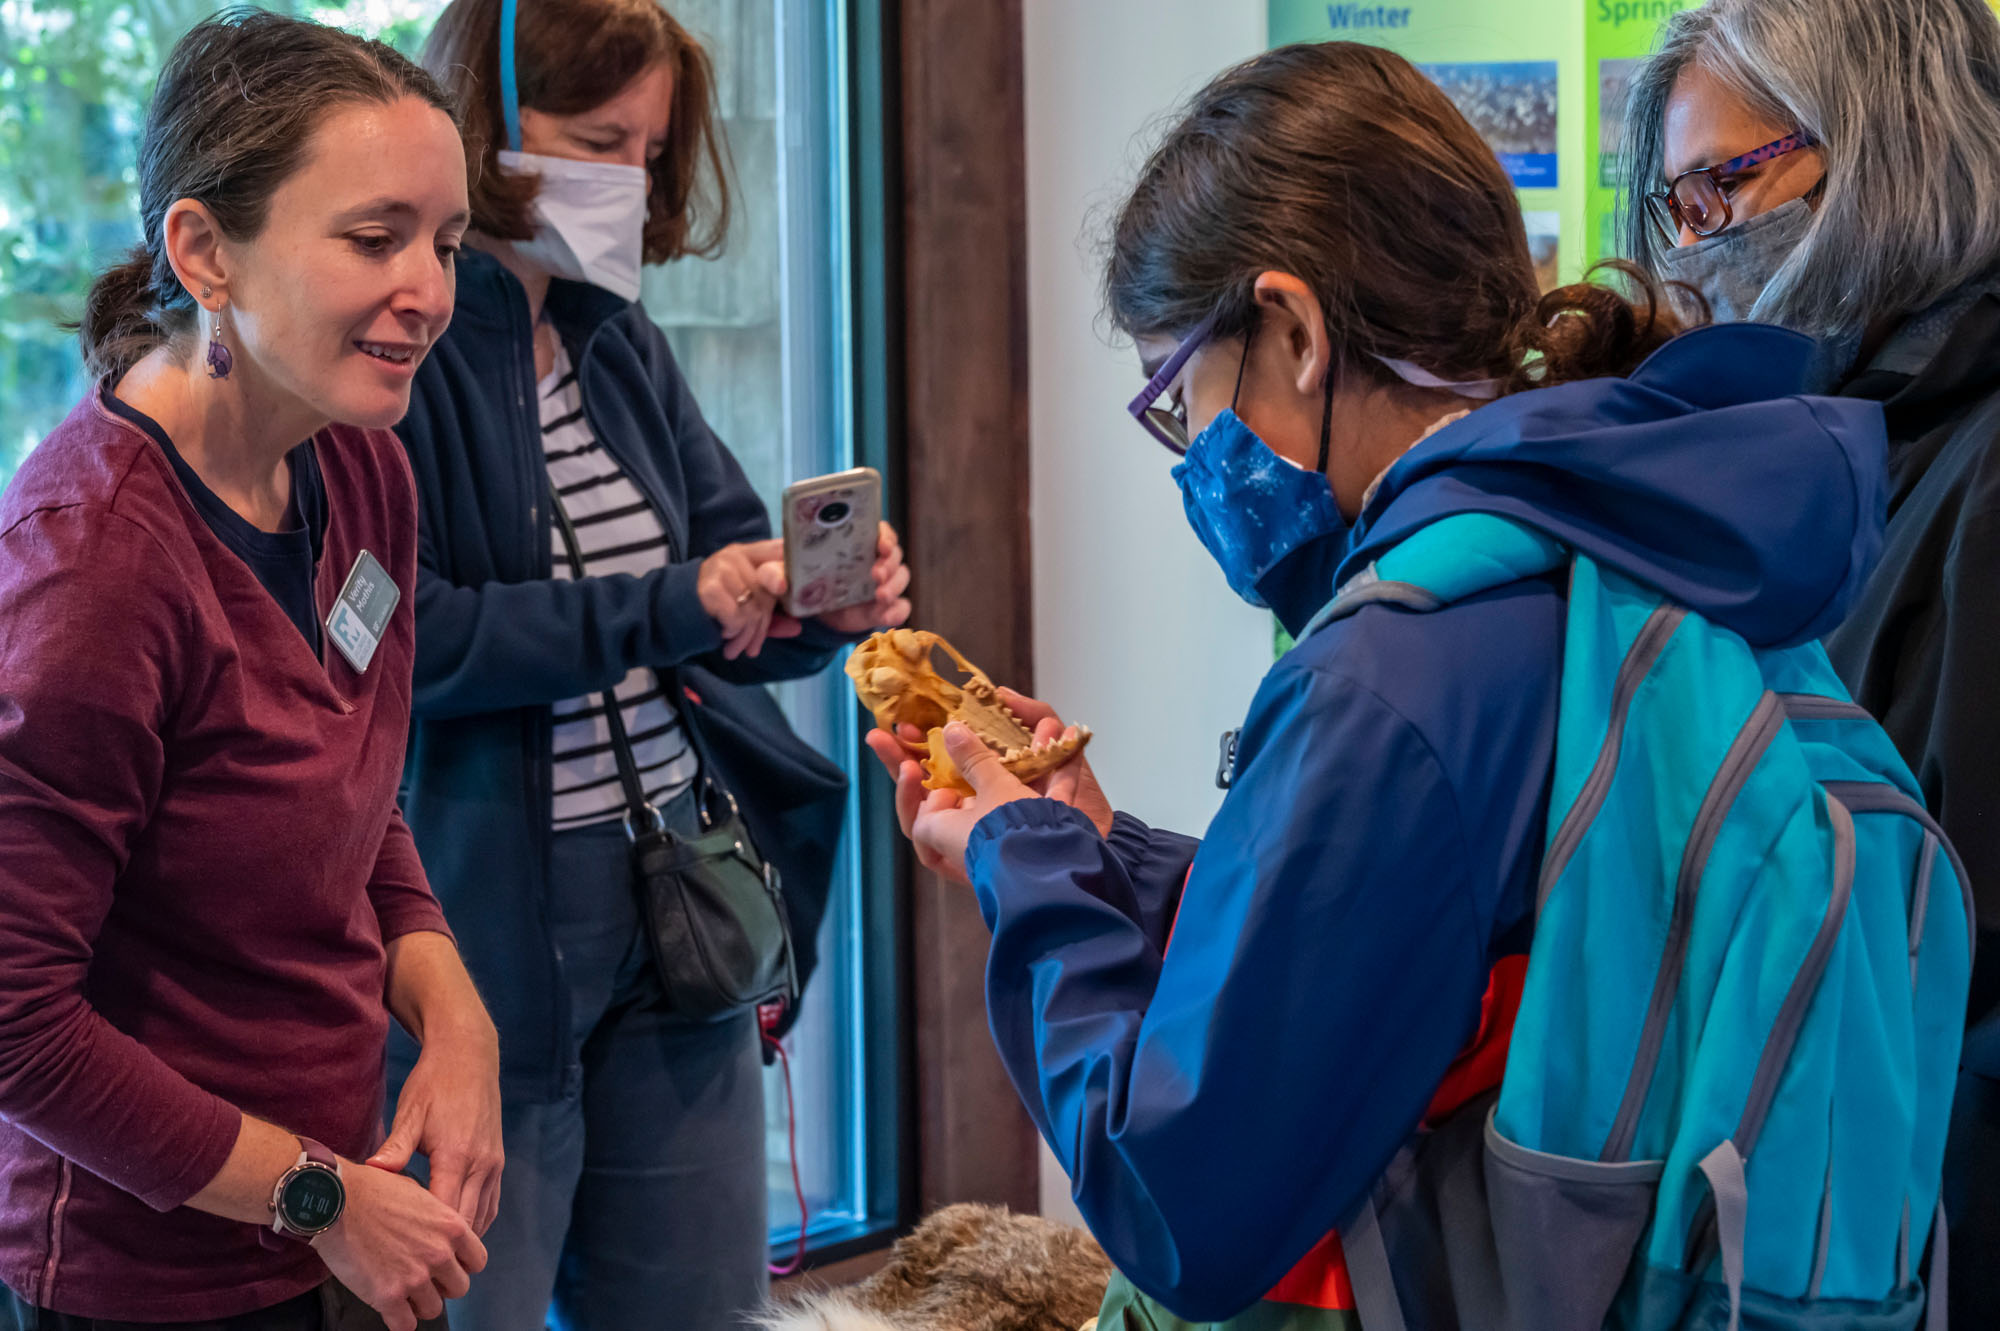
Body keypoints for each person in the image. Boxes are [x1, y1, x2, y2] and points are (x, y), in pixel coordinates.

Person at [868, 39, 1902, 1330]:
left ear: (1296, 331)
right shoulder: (1609, 537)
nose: (1190, 459)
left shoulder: (1394, 669)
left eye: (1181, 400)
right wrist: (1097, 851)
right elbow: (1408, 943)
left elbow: (1179, 1205)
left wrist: (1025, 871)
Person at [392, 0, 910, 1327]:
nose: (626, 178)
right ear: (484, 124)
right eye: (595, 140)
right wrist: (674, 604)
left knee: (699, 1304)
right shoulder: (403, 363)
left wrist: (814, 605)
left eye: (648, 148)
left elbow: (722, 579)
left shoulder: (618, 340)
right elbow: (423, 644)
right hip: (485, 926)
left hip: (673, 901)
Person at [0, 12, 501, 1331]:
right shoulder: (93, 568)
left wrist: (456, 1017)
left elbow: (350, 793)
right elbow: (16, 1025)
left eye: (446, 244)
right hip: (153, 1278)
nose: (429, 290)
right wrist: (320, 1198)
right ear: (205, 251)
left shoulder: (362, 467)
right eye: (375, 238)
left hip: (345, 1218)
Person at [1616, 0, 2000, 1315]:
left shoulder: (1975, 463)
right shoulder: (1845, 450)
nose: (1695, 248)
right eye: (1678, 209)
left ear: (1889, 145)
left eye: (1722, 188)